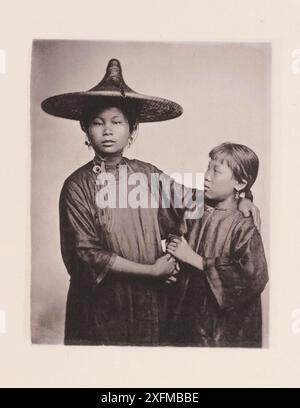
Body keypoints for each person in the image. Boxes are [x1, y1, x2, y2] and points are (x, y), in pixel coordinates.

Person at [41, 59, 260, 346]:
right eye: (98, 122)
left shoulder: (146, 175)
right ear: (85, 130)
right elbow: (85, 255)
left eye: (117, 122)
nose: (108, 130)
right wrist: (151, 271)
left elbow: (193, 199)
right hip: (100, 307)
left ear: (132, 130)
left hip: (149, 304)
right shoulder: (76, 186)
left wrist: (242, 198)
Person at [167, 142, 269, 347]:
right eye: (208, 167)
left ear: (240, 183)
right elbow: (176, 236)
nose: (206, 175)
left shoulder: (243, 226)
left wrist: (197, 260)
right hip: (188, 318)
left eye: (216, 170)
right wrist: (172, 264)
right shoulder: (195, 206)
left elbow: (253, 276)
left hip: (221, 332)